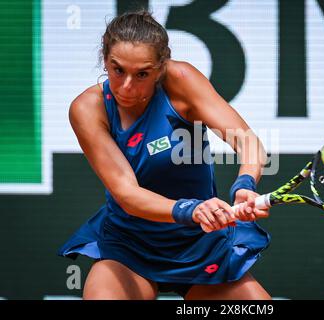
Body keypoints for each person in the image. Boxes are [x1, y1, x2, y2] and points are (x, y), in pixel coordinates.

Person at [58, 10, 271, 300]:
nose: (127, 86)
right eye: (117, 69)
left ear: (161, 68)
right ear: (105, 59)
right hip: (129, 247)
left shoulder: (181, 80)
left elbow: (248, 142)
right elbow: (127, 194)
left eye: (142, 73)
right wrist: (192, 209)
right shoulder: (87, 108)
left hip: (201, 244)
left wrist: (245, 183)